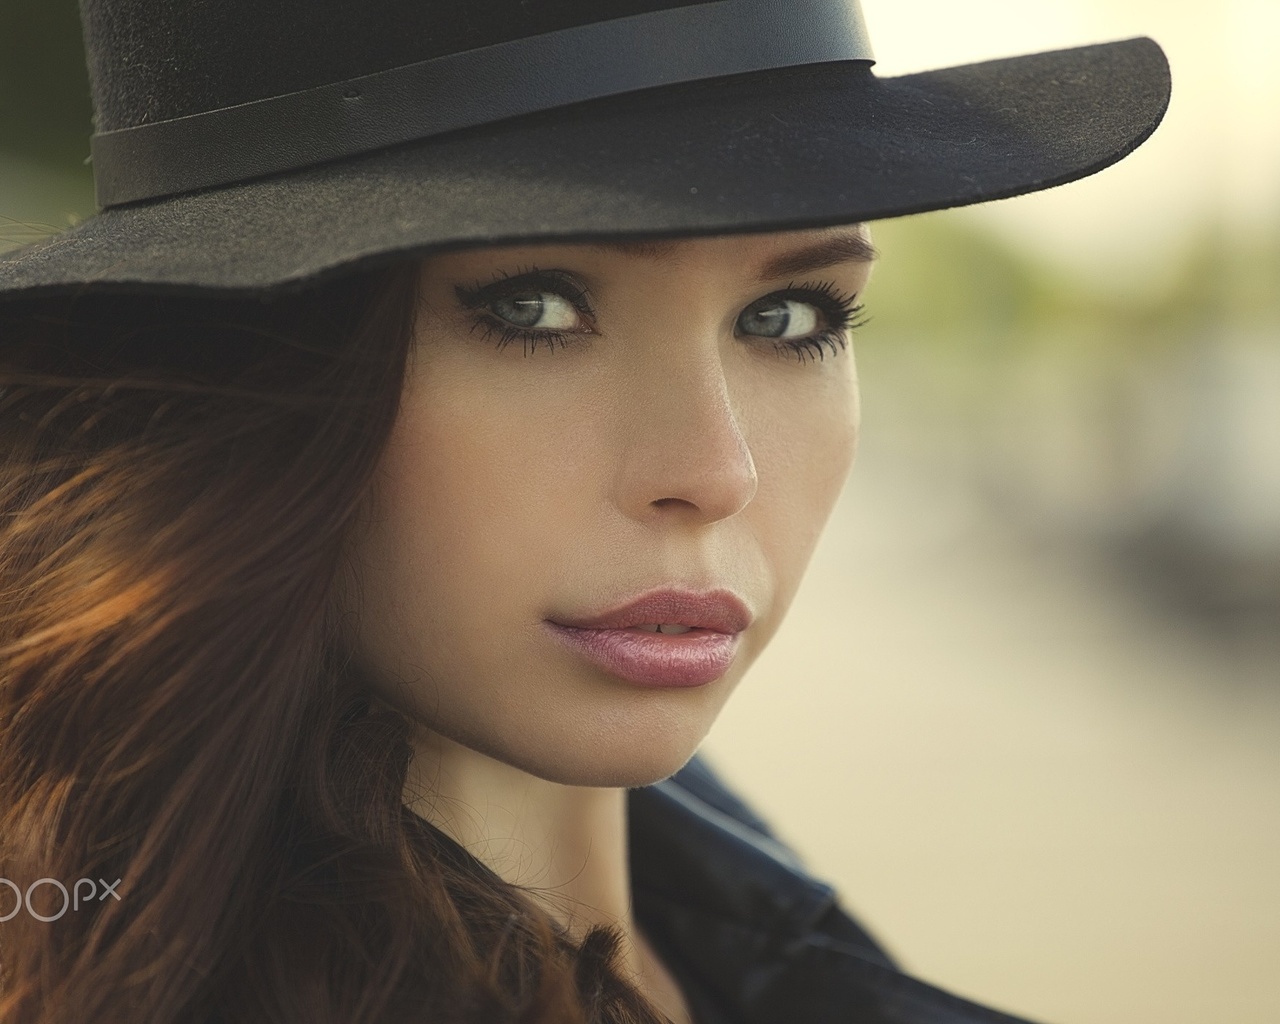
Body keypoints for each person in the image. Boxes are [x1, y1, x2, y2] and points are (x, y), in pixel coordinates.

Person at [0, 1, 1169, 1022]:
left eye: (790, 317)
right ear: (245, 366)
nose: (713, 471)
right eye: (537, 307)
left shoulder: (750, 940)